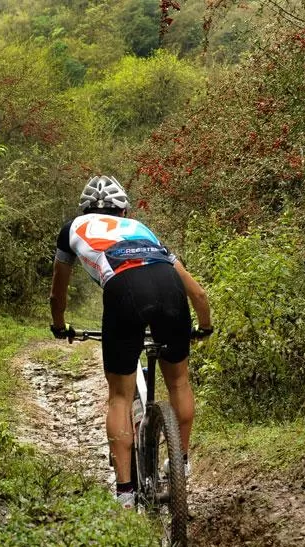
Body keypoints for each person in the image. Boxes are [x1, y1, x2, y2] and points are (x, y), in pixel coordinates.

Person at [49, 175, 212, 509]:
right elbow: (197, 292)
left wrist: (59, 325)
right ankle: (181, 462)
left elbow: (57, 292)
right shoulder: (141, 229)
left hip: (124, 293)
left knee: (119, 397)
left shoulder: (72, 228)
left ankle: (124, 493)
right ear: (122, 209)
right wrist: (204, 326)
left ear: (85, 209)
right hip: (169, 289)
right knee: (179, 380)